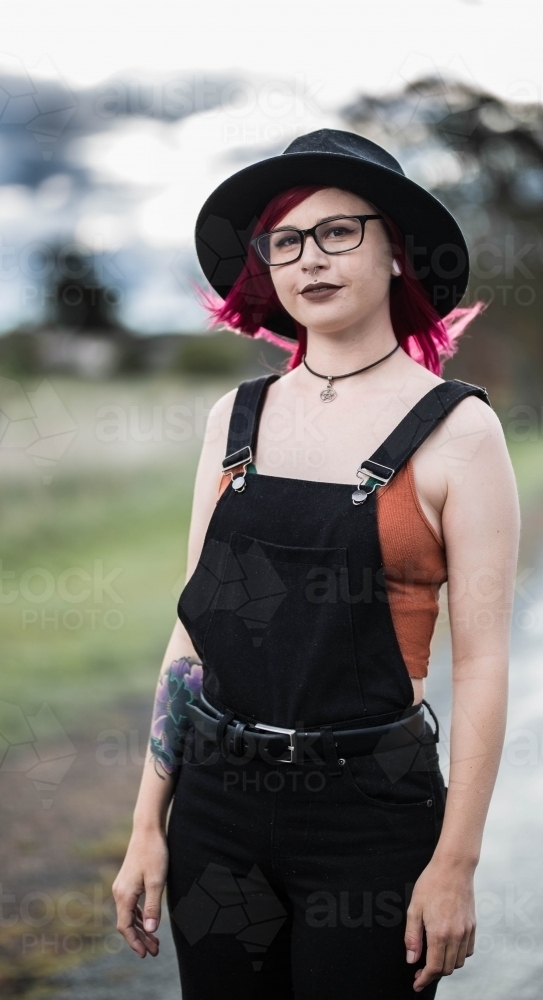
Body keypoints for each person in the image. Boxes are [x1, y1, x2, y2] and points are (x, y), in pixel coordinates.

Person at [112, 128, 520, 999]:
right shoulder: (236, 418)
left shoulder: (458, 430)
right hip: (216, 808)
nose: (309, 259)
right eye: (285, 241)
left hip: (368, 814)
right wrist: (149, 823)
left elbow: (483, 662)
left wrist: (456, 861)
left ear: (396, 252)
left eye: (339, 231)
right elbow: (194, 634)